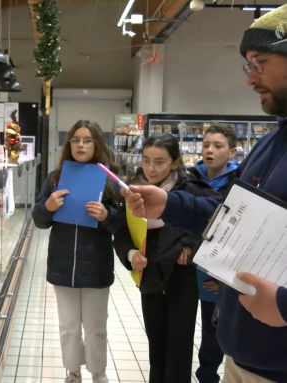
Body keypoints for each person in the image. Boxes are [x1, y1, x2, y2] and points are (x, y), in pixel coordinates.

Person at [121, 6, 287, 382]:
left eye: (260, 62)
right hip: (243, 355)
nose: (251, 80)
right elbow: (230, 212)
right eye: (249, 66)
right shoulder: (271, 142)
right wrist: (170, 203)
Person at [113, 134, 218, 383]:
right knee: (156, 346)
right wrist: (130, 254)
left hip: (182, 277)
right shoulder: (131, 190)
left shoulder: (191, 189)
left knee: (179, 348)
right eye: (147, 160)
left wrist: (190, 247)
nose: (151, 168)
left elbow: (212, 223)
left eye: (160, 162)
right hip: (150, 276)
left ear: (175, 163)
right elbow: (121, 231)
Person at [32, 120, 119, 383]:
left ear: (97, 144)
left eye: (87, 140)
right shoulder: (56, 177)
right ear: (69, 144)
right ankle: (72, 372)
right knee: (68, 328)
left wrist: (106, 215)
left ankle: (98, 372)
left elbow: (124, 224)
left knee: (95, 328)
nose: (81, 145)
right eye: (75, 140)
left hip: (96, 264)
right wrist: (47, 205)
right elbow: (39, 220)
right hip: (62, 264)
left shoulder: (109, 177)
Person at [189, 124, 239, 383]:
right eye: (206, 145)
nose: (209, 150)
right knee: (192, 328)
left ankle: (209, 376)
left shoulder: (240, 183)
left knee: (215, 329)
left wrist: (227, 278)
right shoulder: (189, 178)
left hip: (220, 270)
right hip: (188, 264)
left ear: (232, 152)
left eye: (217, 146)